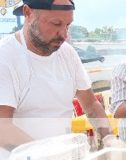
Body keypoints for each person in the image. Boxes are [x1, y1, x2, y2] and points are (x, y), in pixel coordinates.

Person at [0, 0, 113, 155]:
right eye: (56, 24)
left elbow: (91, 104)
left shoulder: (68, 54)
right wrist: (47, 154)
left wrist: (109, 138)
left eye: (67, 25)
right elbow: (3, 128)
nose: (64, 35)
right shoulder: (6, 57)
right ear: (28, 13)